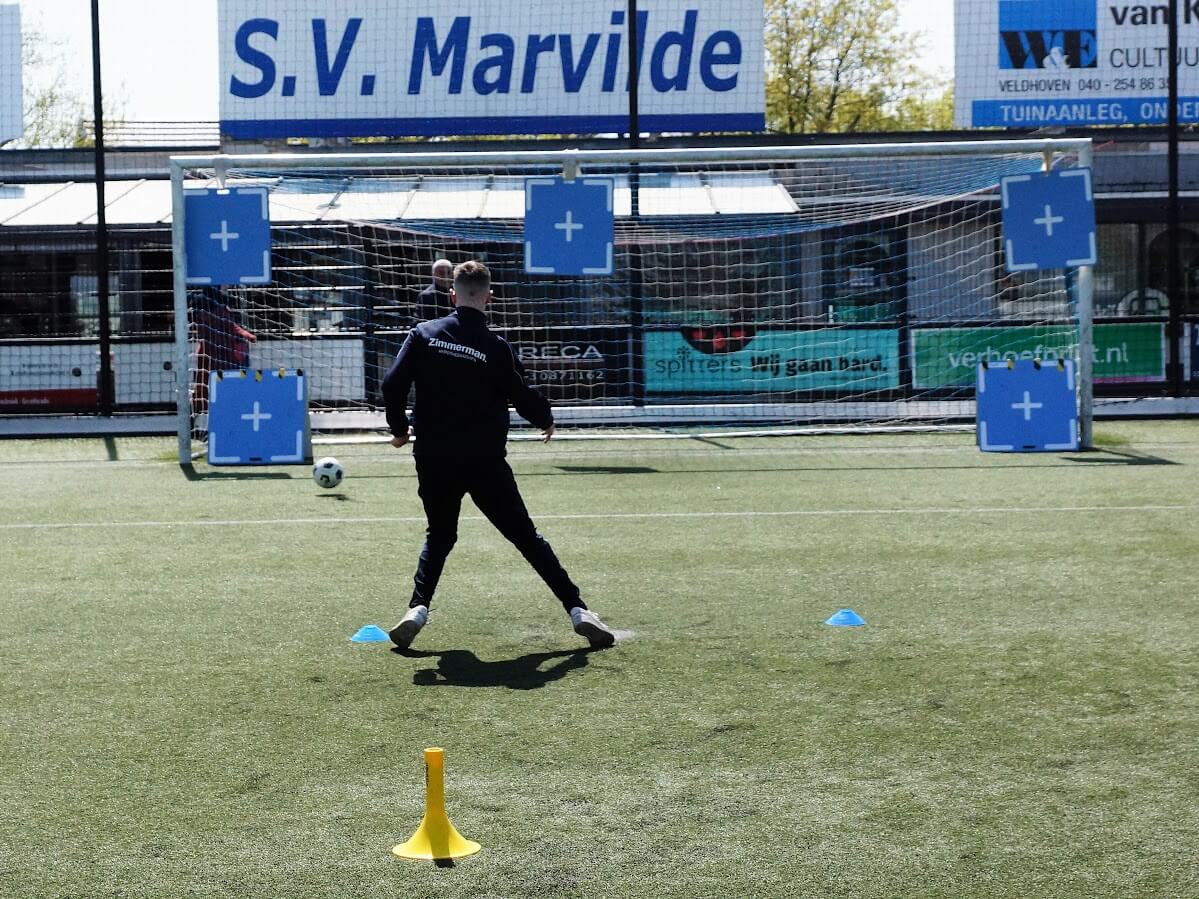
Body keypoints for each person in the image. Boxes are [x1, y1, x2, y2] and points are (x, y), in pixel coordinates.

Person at [381, 260, 616, 651]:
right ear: (489, 297)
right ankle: (578, 611)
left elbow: (392, 384)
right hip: (484, 460)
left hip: (435, 457)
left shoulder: (423, 334)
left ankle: (417, 609)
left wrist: (399, 429)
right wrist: (545, 418)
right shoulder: (496, 347)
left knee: (440, 536)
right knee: (526, 538)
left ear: (452, 295)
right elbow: (520, 393)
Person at [190, 289, 256, 410]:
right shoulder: (220, 313)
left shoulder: (199, 315)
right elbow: (234, 328)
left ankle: (200, 407)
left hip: (208, 353)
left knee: (204, 381)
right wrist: (249, 336)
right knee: (227, 381)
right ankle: (228, 405)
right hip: (224, 353)